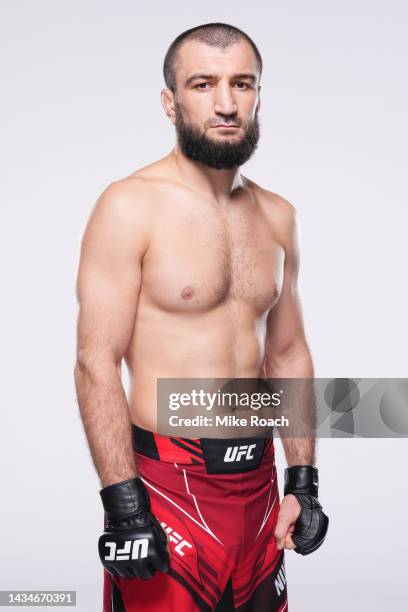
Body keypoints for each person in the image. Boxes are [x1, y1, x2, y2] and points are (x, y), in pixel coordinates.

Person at [74, 22, 328, 612]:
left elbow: (287, 354)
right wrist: (123, 502)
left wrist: (304, 483)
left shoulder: (278, 216)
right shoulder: (129, 205)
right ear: (170, 101)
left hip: (258, 486)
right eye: (202, 84)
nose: (225, 103)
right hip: (168, 489)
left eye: (242, 83)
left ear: (258, 94)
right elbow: (96, 360)